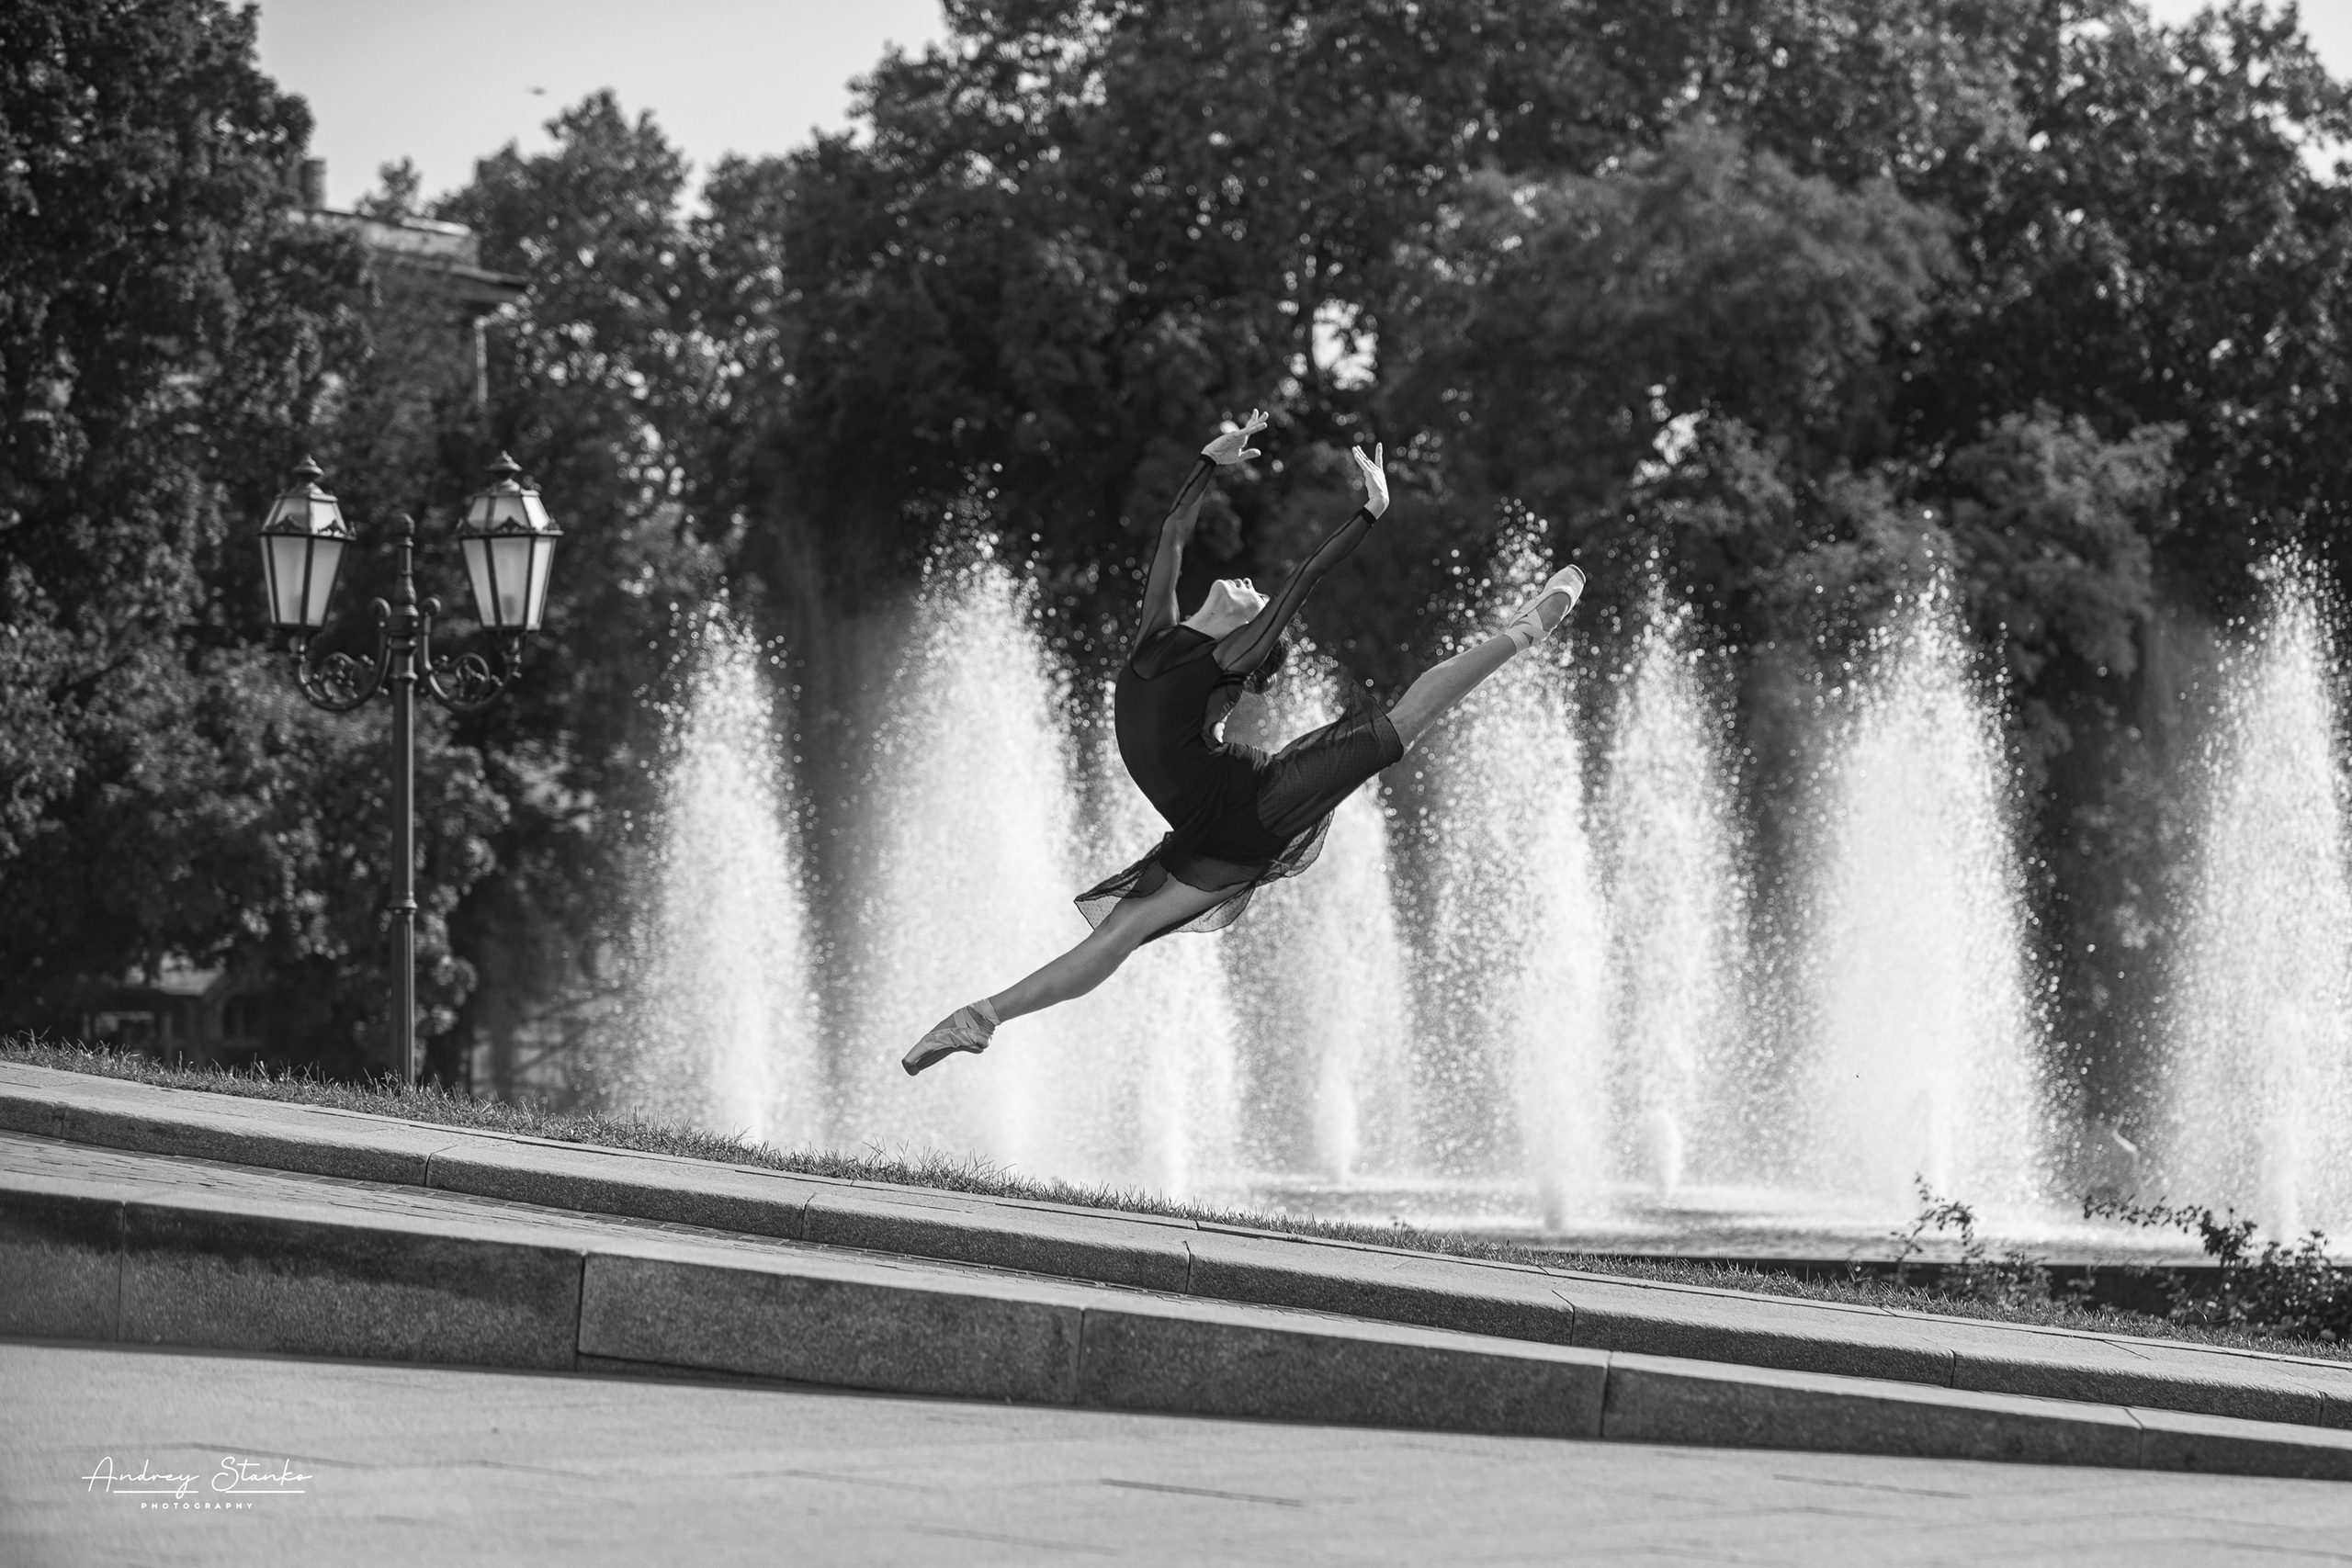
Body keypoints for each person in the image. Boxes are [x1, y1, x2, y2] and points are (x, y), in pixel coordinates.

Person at [903, 410, 1585, 1075]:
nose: (1252, 586)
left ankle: (1526, 629)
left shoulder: (1222, 661)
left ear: (1247, 648)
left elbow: (1305, 579)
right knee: (1121, 933)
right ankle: (982, 1016)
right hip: (1204, 830)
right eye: (1252, 590)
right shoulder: (1157, 633)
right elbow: (1172, 532)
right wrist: (1208, 461)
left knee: (1400, 724)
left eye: (1257, 600)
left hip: (1255, 803)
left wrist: (1372, 510)